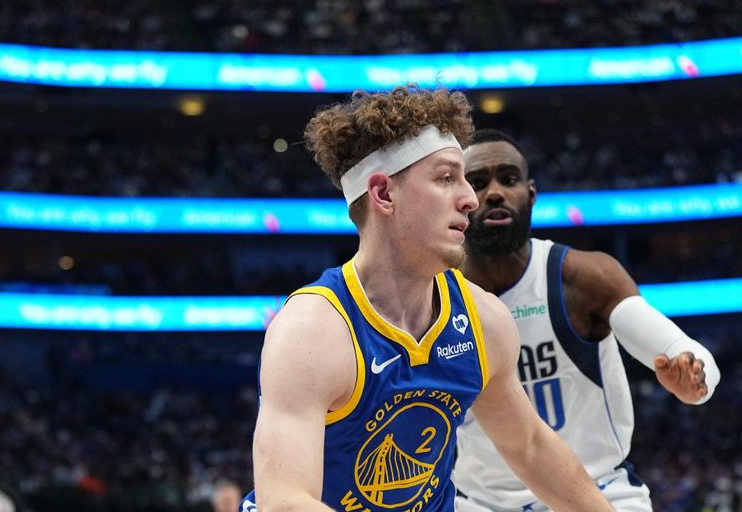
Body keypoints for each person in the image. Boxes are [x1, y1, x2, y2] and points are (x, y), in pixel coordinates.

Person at [240, 86, 614, 512]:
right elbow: (285, 501)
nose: (470, 198)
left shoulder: (482, 318)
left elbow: (529, 447)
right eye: (446, 177)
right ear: (383, 194)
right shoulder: (313, 330)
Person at [453, 129, 721, 512]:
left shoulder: (582, 278)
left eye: (508, 179)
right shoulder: (433, 298)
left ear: (530, 194)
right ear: (458, 199)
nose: (494, 192)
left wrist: (695, 381)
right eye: (477, 183)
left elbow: (683, 350)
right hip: (483, 504)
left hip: (599, 492)